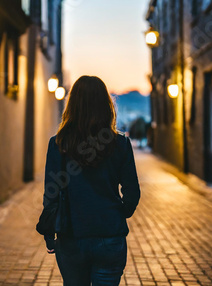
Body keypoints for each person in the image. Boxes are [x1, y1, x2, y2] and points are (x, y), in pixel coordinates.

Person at [40, 75, 141, 285]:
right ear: (106, 106)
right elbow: (132, 193)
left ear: (72, 106)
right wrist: (118, 213)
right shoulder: (120, 144)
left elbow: (51, 193)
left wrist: (50, 232)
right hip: (110, 235)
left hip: (71, 236)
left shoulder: (58, 144)